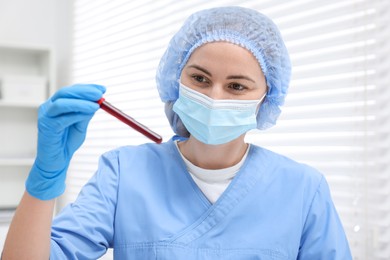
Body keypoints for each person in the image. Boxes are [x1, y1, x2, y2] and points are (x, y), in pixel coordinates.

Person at [2, 6, 352, 259]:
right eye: (199, 78)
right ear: (176, 79)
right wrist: (45, 178)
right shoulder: (125, 173)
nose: (214, 97)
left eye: (237, 86)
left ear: (267, 97)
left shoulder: (303, 189)